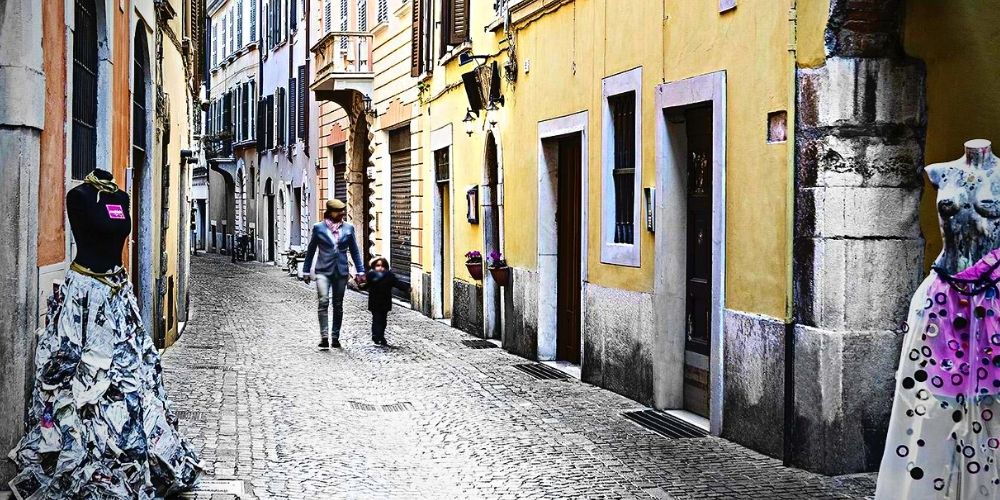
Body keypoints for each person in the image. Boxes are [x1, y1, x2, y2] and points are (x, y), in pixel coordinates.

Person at [8, 169, 201, 499]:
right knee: (82, 377)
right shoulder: (78, 197)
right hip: (85, 294)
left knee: (130, 378)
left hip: (117, 295)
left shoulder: (121, 197)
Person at [876, 140, 1000, 499]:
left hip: (992, 300)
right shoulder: (939, 171)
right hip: (943, 300)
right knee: (931, 400)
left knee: (990, 402)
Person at [302, 199, 366, 349]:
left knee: (338, 305)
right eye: (339, 211)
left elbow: (355, 251)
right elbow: (311, 250)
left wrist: (360, 270)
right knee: (323, 302)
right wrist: (306, 270)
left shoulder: (349, 228)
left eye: (343, 210)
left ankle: (335, 336)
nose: (342, 213)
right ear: (330, 212)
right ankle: (324, 337)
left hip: (341, 271)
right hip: (323, 271)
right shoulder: (318, 228)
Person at [360, 256, 411, 346]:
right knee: (376, 319)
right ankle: (376, 336)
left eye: (383, 266)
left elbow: (397, 283)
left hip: (385, 302)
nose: (380, 268)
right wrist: (360, 285)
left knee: (383, 320)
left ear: (386, 267)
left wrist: (406, 288)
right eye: (378, 265)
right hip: (374, 302)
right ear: (374, 266)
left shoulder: (389, 276)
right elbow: (366, 285)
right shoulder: (370, 275)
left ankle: (381, 335)